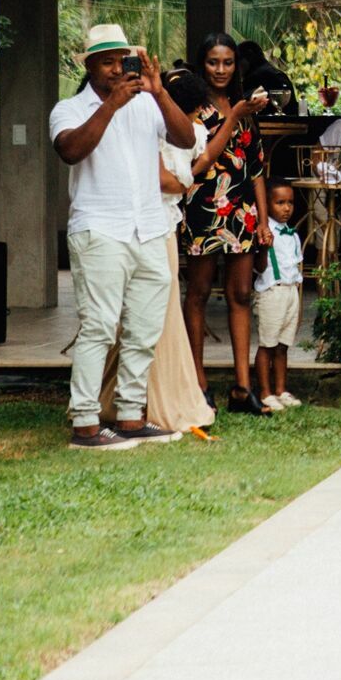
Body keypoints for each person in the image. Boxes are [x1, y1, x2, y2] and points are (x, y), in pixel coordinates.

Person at [50, 24, 196, 450]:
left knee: (143, 328)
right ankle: (85, 424)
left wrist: (159, 92)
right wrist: (111, 106)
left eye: (123, 60)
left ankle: (131, 416)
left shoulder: (147, 104)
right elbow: (71, 151)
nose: (117, 69)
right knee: (98, 327)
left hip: (148, 228)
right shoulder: (69, 108)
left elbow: (185, 138)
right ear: (91, 66)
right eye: (108, 61)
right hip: (100, 229)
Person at [95, 67, 218, 439]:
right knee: (151, 315)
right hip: (149, 225)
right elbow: (170, 180)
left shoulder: (185, 133)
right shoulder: (148, 131)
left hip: (164, 224)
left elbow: (194, 168)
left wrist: (182, 183)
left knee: (159, 315)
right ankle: (145, 402)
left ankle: (135, 400)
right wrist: (182, 184)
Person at [181, 32, 276, 417]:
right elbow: (198, 160)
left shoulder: (244, 107)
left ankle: (242, 387)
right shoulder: (191, 108)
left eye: (228, 62)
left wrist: (264, 223)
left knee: (240, 296)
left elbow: (256, 170)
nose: (221, 70)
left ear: (237, 65)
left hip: (241, 213)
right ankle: (198, 385)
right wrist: (234, 116)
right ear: (201, 64)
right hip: (203, 209)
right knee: (199, 294)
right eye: (213, 62)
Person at [253, 181, 306, 412]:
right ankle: (265, 392)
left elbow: (297, 270)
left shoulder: (293, 235)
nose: (286, 208)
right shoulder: (265, 233)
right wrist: (265, 247)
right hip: (271, 292)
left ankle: (281, 389)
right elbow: (259, 267)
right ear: (267, 205)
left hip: (290, 291)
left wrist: (298, 301)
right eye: (280, 203)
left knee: (283, 345)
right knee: (267, 344)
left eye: (290, 203)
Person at [235, 40, 299, 116]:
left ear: (249, 58)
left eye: (238, 61)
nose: (236, 68)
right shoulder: (279, 74)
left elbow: (237, 106)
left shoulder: (254, 77)